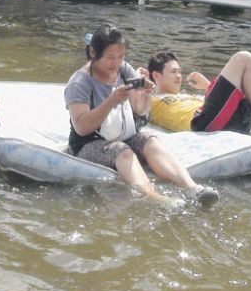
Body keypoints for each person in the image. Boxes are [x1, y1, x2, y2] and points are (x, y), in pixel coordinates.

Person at [64, 25, 220, 207]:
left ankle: (193, 188)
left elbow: (139, 110)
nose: (116, 63)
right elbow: (82, 127)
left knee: (150, 140)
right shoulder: (79, 83)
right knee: (121, 150)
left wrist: (146, 94)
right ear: (93, 52)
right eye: (110, 58)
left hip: (125, 133)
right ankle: (154, 197)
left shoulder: (123, 69)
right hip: (87, 143)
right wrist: (111, 100)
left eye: (121, 56)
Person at [144, 51, 251, 142]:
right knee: (243, 58)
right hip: (201, 123)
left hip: (231, 122)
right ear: (156, 76)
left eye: (180, 72)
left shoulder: (187, 96)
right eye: (173, 72)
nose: (179, 76)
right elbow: (133, 104)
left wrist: (207, 87)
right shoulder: (151, 100)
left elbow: (222, 106)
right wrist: (138, 78)